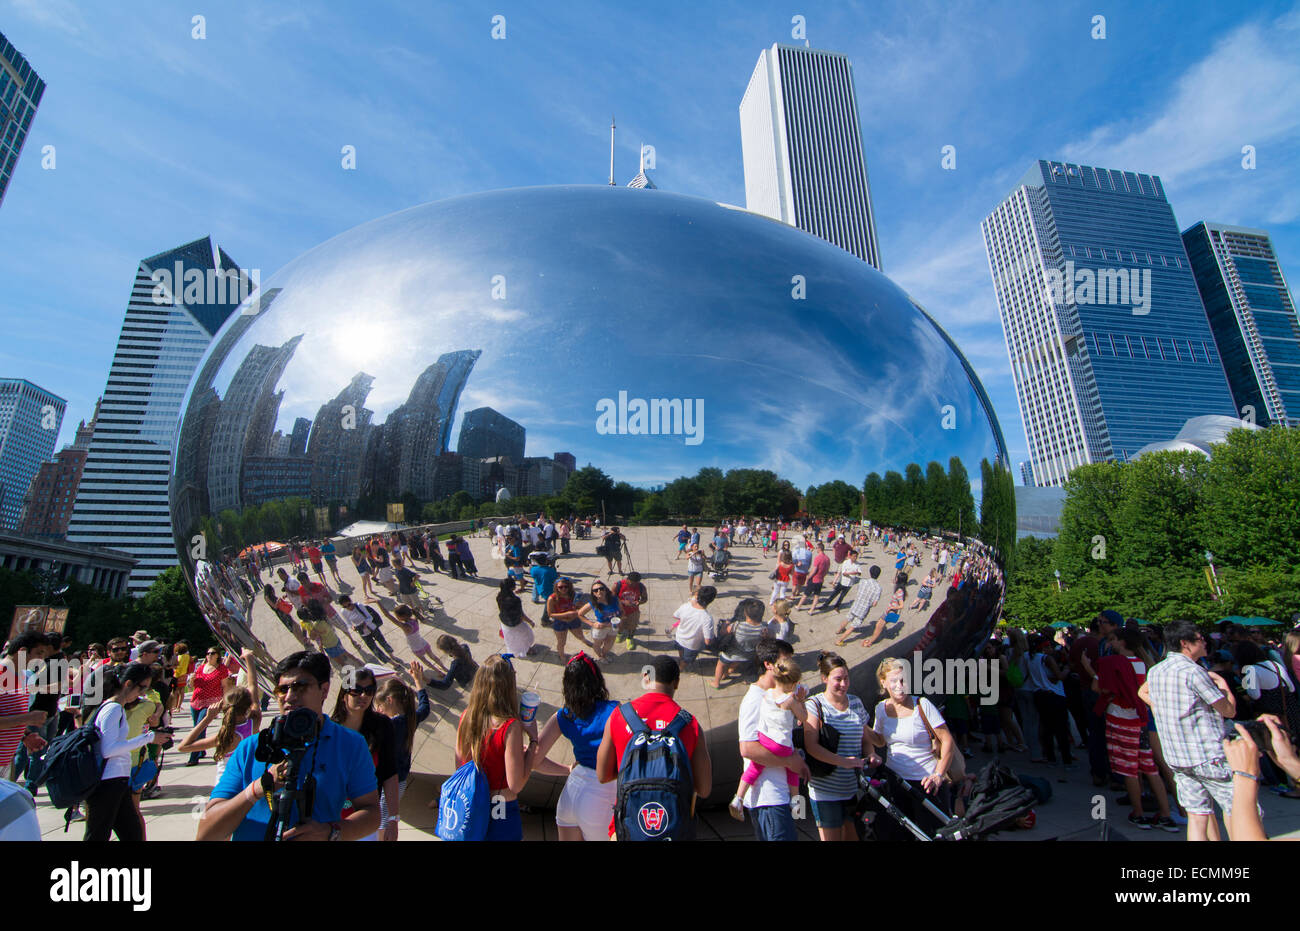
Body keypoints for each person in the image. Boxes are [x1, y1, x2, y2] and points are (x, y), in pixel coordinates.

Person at [199, 651, 381, 841]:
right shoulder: (250, 748)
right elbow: (206, 833)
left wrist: (331, 832)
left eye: (300, 687)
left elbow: (371, 812)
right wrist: (257, 789)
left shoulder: (350, 745)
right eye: (282, 690)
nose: (290, 697)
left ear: (324, 690)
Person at [1140, 620, 1239, 841]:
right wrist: (1223, 685)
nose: (1204, 642)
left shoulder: (1156, 670)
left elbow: (1142, 691)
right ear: (1185, 643)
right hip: (1207, 754)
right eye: (1200, 639)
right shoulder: (1194, 672)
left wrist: (1159, 710)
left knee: (1197, 815)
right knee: (1236, 809)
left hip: (1177, 756)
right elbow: (1228, 710)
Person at [595, 656, 712, 839]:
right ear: (677, 683)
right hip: (674, 831)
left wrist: (636, 769)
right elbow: (704, 789)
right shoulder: (690, 724)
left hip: (627, 830)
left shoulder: (619, 716)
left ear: (646, 678)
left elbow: (602, 775)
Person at [1093, 627, 1177, 831]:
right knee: (1149, 766)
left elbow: (1099, 688)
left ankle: (1138, 812)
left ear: (1122, 642)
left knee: (1129, 768)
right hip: (1141, 719)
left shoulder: (1112, 663)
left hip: (1120, 717)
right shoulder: (1145, 664)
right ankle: (1166, 814)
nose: (1110, 643)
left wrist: (1088, 667)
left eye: (1113, 639)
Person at [530, 653, 620, 840]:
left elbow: (534, 761)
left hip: (571, 795)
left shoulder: (564, 716)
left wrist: (568, 769)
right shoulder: (615, 710)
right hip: (603, 796)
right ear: (597, 680)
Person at [864, 657, 955, 840]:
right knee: (901, 835)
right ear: (883, 683)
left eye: (903, 680)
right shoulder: (881, 709)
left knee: (933, 835)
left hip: (927, 785)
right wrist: (861, 726)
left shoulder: (922, 705)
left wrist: (937, 776)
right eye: (894, 681)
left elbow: (947, 741)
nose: (900, 685)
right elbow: (881, 741)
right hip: (897, 783)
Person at [452, 655, 539, 841]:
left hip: (472, 803)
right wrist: (533, 742)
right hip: (500, 806)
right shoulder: (509, 726)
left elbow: (459, 766)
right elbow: (516, 784)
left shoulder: (466, 717)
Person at [84, 663, 169, 841]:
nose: (144, 693)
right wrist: (148, 738)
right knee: (99, 834)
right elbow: (109, 749)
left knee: (131, 833)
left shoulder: (115, 707)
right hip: (108, 782)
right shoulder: (113, 708)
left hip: (116, 781)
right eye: (142, 687)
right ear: (128, 683)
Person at [737, 639, 809, 840]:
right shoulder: (755, 699)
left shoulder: (782, 697)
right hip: (767, 797)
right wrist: (790, 761)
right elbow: (748, 749)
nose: (790, 667)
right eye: (785, 661)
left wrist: (796, 760)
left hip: (779, 794)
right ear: (768, 664)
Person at [803, 652, 875, 841]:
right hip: (825, 791)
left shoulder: (856, 703)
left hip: (853, 788)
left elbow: (865, 738)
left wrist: (872, 754)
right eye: (837, 679)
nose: (843, 684)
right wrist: (844, 762)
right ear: (824, 678)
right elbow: (811, 746)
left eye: (846, 678)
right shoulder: (815, 705)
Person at [331, 666, 400, 841]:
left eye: (369, 691)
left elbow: (389, 774)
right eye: (357, 690)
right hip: (329, 817)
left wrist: (393, 819)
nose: (364, 696)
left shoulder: (382, 726)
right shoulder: (328, 729)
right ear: (344, 693)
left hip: (363, 820)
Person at [1026, 633, 1074, 776]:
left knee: (1046, 727)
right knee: (1060, 728)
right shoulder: (1046, 659)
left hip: (1039, 694)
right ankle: (1067, 759)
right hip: (1054, 695)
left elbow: (1047, 677)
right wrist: (1067, 669)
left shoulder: (1031, 658)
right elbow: (1059, 676)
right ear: (1045, 647)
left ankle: (1051, 757)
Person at [186, 646, 240, 766]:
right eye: (208, 653)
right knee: (200, 726)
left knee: (199, 726)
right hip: (196, 701)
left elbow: (225, 686)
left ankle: (193, 756)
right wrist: (191, 680)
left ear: (217, 655)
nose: (209, 655)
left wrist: (225, 701)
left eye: (212, 653)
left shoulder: (221, 669)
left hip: (211, 702)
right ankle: (201, 750)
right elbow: (191, 686)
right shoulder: (200, 668)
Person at [713, 599, 768, 690]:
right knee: (739, 660)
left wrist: (725, 624)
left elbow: (723, 632)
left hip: (731, 654)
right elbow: (767, 638)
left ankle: (716, 683)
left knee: (720, 664)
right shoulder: (763, 628)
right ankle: (729, 672)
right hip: (749, 655)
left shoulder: (737, 625)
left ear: (745, 613)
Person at [546, 578, 593, 663]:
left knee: (579, 634)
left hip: (573, 619)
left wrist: (579, 607)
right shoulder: (552, 598)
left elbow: (578, 606)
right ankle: (561, 655)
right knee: (561, 642)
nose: (563, 589)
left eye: (566, 586)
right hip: (560, 622)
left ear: (569, 587)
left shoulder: (573, 595)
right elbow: (550, 614)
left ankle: (584, 640)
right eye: (561, 587)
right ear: (556, 587)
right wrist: (566, 614)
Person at [671, 585, 718, 669]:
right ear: (711, 600)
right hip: (692, 645)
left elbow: (675, 616)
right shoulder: (707, 618)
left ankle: (681, 659)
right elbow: (708, 641)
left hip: (679, 637)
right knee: (686, 660)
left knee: (681, 652)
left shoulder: (686, 606)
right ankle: (680, 668)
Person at [835, 564, 882, 645]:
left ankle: (839, 630)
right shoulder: (878, 588)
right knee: (853, 626)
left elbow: (859, 590)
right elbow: (874, 604)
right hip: (863, 610)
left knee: (848, 618)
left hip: (856, 605)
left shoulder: (863, 581)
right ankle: (840, 640)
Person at [337, 594, 396, 659]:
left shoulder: (359, 605)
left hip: (371, 627)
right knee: (374, 648)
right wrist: (352, 627)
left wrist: (365, 623)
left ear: (351, 601)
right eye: (345, 607)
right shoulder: (343, 611)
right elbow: (348, 623)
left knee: (382, 642)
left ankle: (392, 655)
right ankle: (388, 661)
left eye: (349, 605)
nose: (348, 608)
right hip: (362, 631)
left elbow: (370, 617)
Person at [584, 581, 621, 661]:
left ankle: (603, 654)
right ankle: (601, 657)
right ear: (593, 593)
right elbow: (580, 614)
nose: (599, 591)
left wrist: (620, 620)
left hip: (613, 626)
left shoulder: (614, 599)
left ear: (605, 589)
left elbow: (622, 611)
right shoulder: (593, 603)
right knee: (597, 645)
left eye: (601, 589)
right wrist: (592, 624)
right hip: (600, 628)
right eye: (595, 590)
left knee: (609, 644)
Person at [613, 572, 648, 649]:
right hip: (619, 610)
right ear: (627, 579)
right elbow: (612, 598)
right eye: (632, 583)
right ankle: (619, 634)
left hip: (633, 611)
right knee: (620, 625)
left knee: (632, 626)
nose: (634, 585)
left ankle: (630, 638)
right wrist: (623, 601)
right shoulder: (618, 585)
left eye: (636, 583)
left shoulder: (641, 587)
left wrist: (639, 602)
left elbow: (645, 598)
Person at [794, 542, 831, 612]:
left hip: (814, 579)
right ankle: (811, 610)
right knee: (816, 596)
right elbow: (827, 570)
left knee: (806, 594)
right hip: (820, 579)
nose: (816, 549)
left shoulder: (818, 558)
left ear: (819, 549)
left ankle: (798, 606)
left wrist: (808, 577)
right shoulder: (827, 559)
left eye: (817, 548)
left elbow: (814, 570)